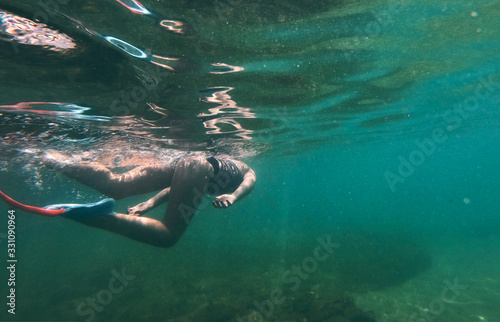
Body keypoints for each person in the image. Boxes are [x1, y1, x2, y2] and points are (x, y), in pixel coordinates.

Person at [42, 152, 256, 248]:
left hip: (184, 162)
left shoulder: (224, 160)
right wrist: (233, 197)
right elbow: (249, 182)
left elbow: (177, 187)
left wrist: (148, 204)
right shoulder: (249, 170)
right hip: (197, 167)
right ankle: (101, 217)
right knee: (167, 236)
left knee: (117, 185)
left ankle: (53, 159)